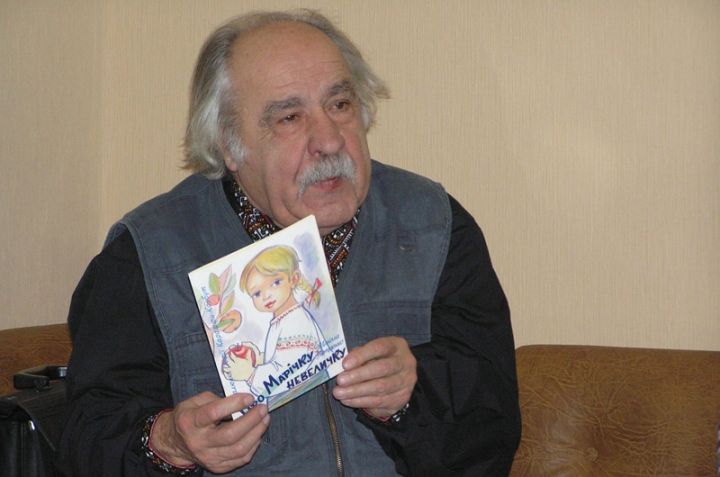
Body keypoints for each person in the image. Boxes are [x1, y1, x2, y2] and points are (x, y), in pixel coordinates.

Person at [56, 9, 521, 477]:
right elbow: (87, 440)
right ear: (229, 144)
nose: (330, 140)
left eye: (340, 104)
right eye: (289, 118)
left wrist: (413, 397)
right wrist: (169, 442)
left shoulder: (432, 225)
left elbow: (493, 435)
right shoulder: (150, 253)